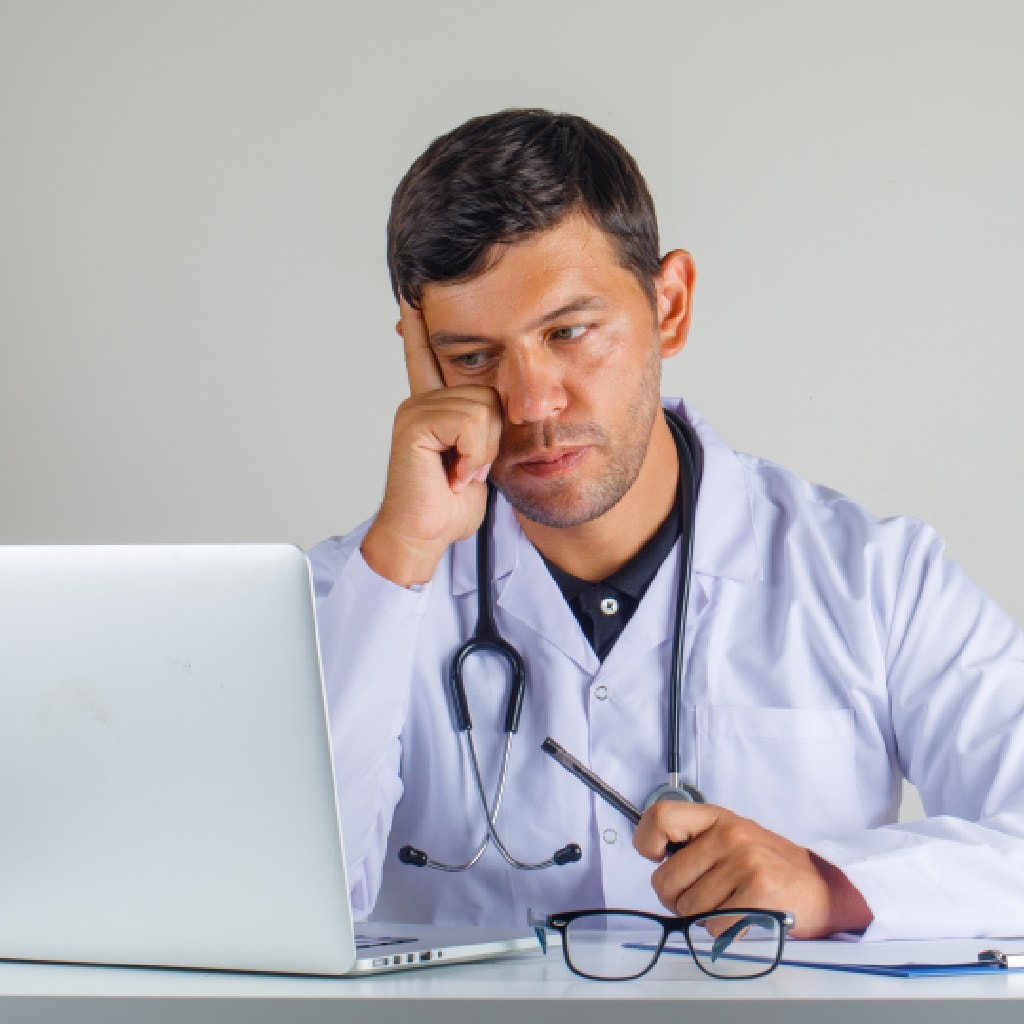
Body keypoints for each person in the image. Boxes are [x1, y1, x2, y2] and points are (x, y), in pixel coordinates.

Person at [310, 109, 1024, 940]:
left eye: (570, 332)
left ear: (670, 305)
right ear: (422, 357)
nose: (532, 402)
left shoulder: (878, 578)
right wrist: (403, 554)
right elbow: (271, 897)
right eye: (473, 356)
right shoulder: (351, 596)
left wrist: (833, 888)